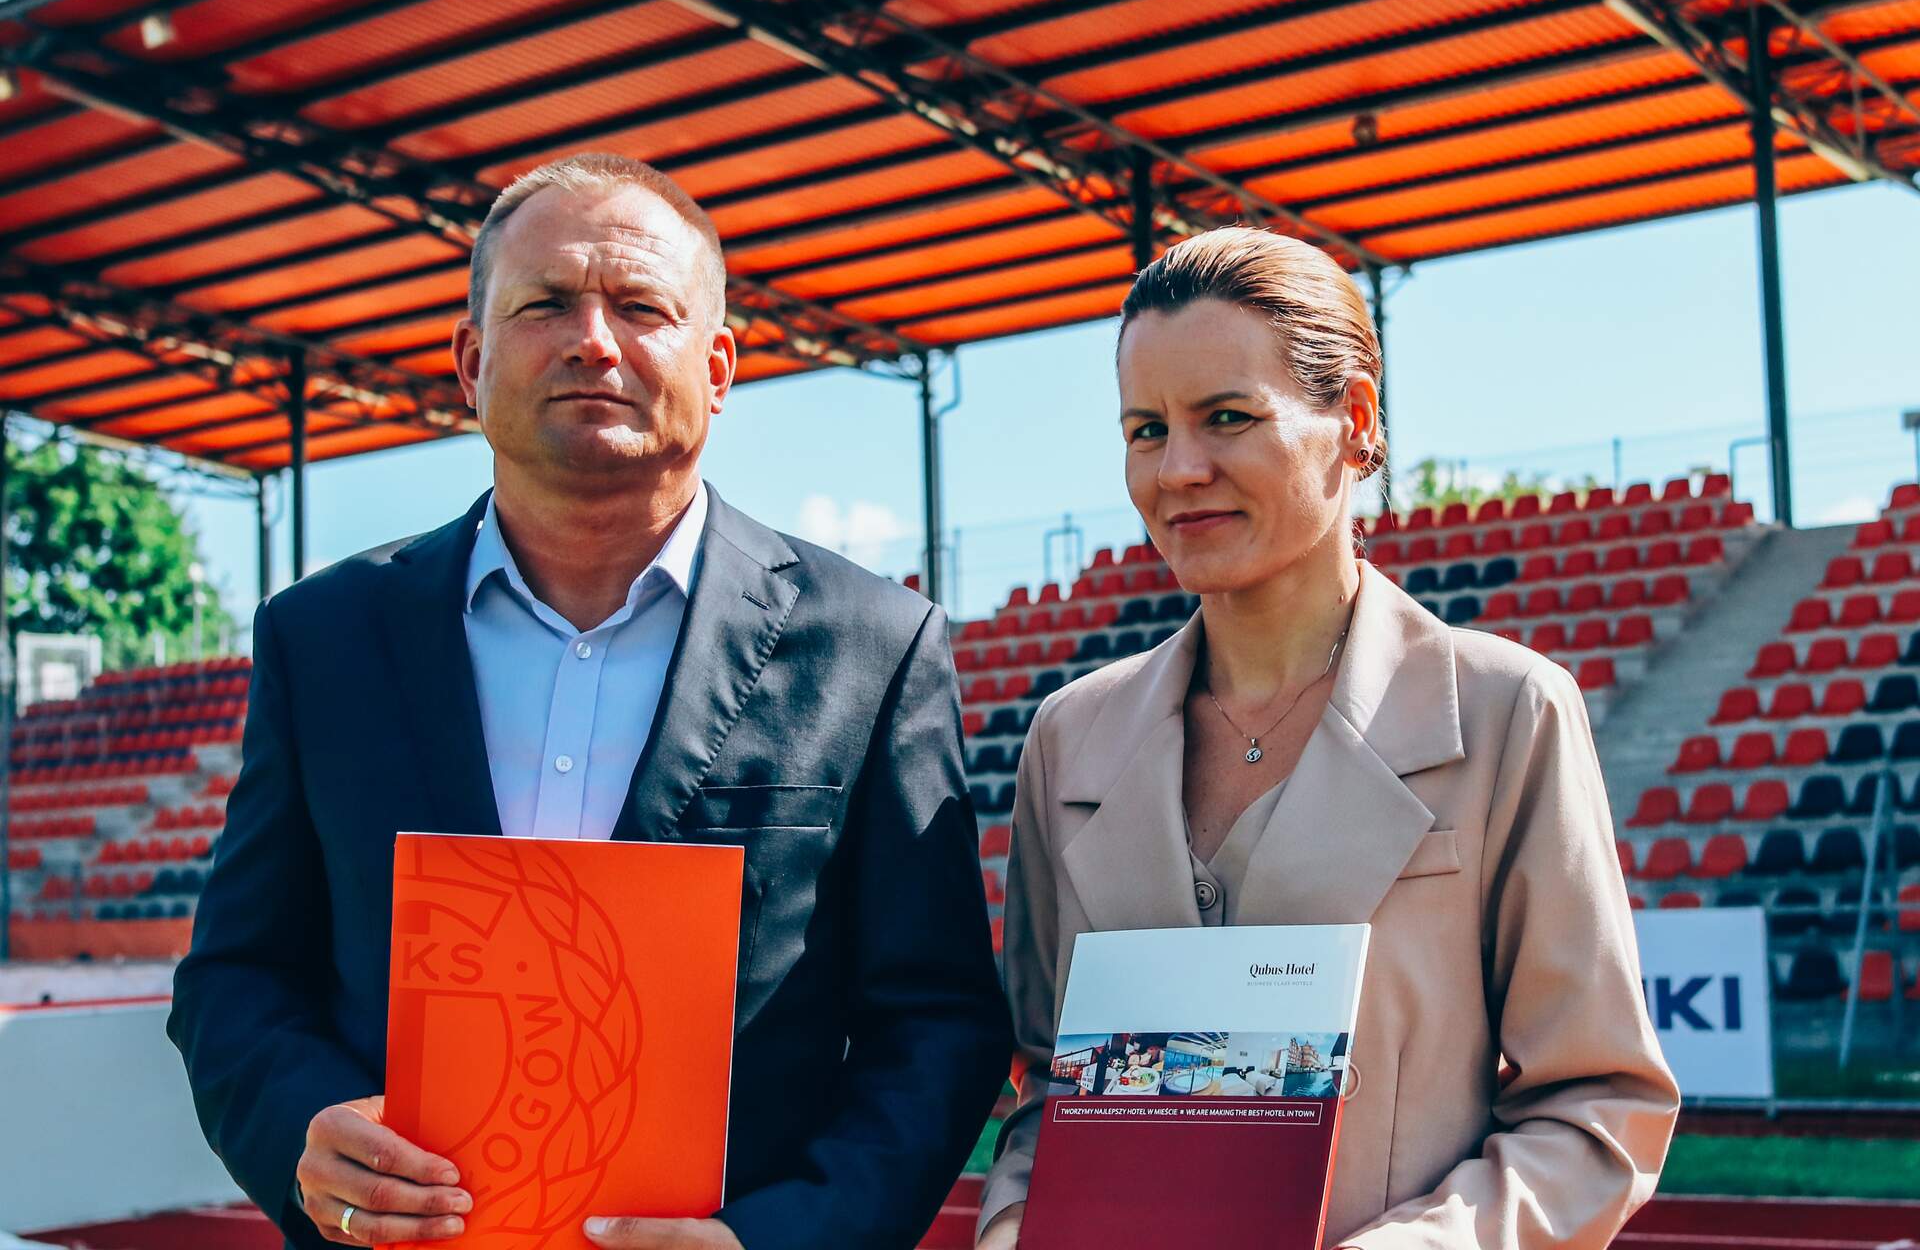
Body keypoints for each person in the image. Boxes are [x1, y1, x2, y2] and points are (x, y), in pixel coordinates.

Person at [167, 153, 1011, 1250]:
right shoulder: (322, 637)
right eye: (546, 303)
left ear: (718, 366)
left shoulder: (874, 646)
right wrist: (302, 1129)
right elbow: (236, 976)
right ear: (471, 361)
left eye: (641, 307)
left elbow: (936, 1020)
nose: (594, 341)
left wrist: (776, 1239)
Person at [977, 227, 1678, 1248]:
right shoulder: (1067, 738)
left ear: (1354, 420)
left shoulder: (1507, 712)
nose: (1180, 468)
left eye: (1227, 417)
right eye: (1146, 429)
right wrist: (1012, 1228)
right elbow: (1048, 1087)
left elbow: (1597, 1109)